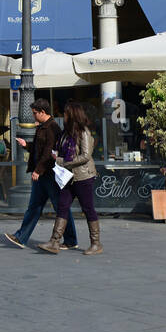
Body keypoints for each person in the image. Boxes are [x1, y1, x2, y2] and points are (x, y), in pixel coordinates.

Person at [4, 99, 78, 250]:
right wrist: (27, 145)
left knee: (60, 207)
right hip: (43, 175)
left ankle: (71, 240)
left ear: (42, 112)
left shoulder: (52, 128)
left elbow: (47, 153)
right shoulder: (43, 127)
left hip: (49, 175)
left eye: (35, 113)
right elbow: (40, 149)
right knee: (35, 207)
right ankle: (21, 237)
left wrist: (38, 170)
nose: (33, 116)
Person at [40, 101, 102, 255]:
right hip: (68, 176)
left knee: (88, 209)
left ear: (73, 115)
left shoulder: (84, 132)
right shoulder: (65, 133)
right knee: (62, 206)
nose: (64, 116)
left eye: (66, 113)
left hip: (83, 176)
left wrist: (62, 161)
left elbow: (86, 156)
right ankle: (54, 241)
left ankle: (96, 243)